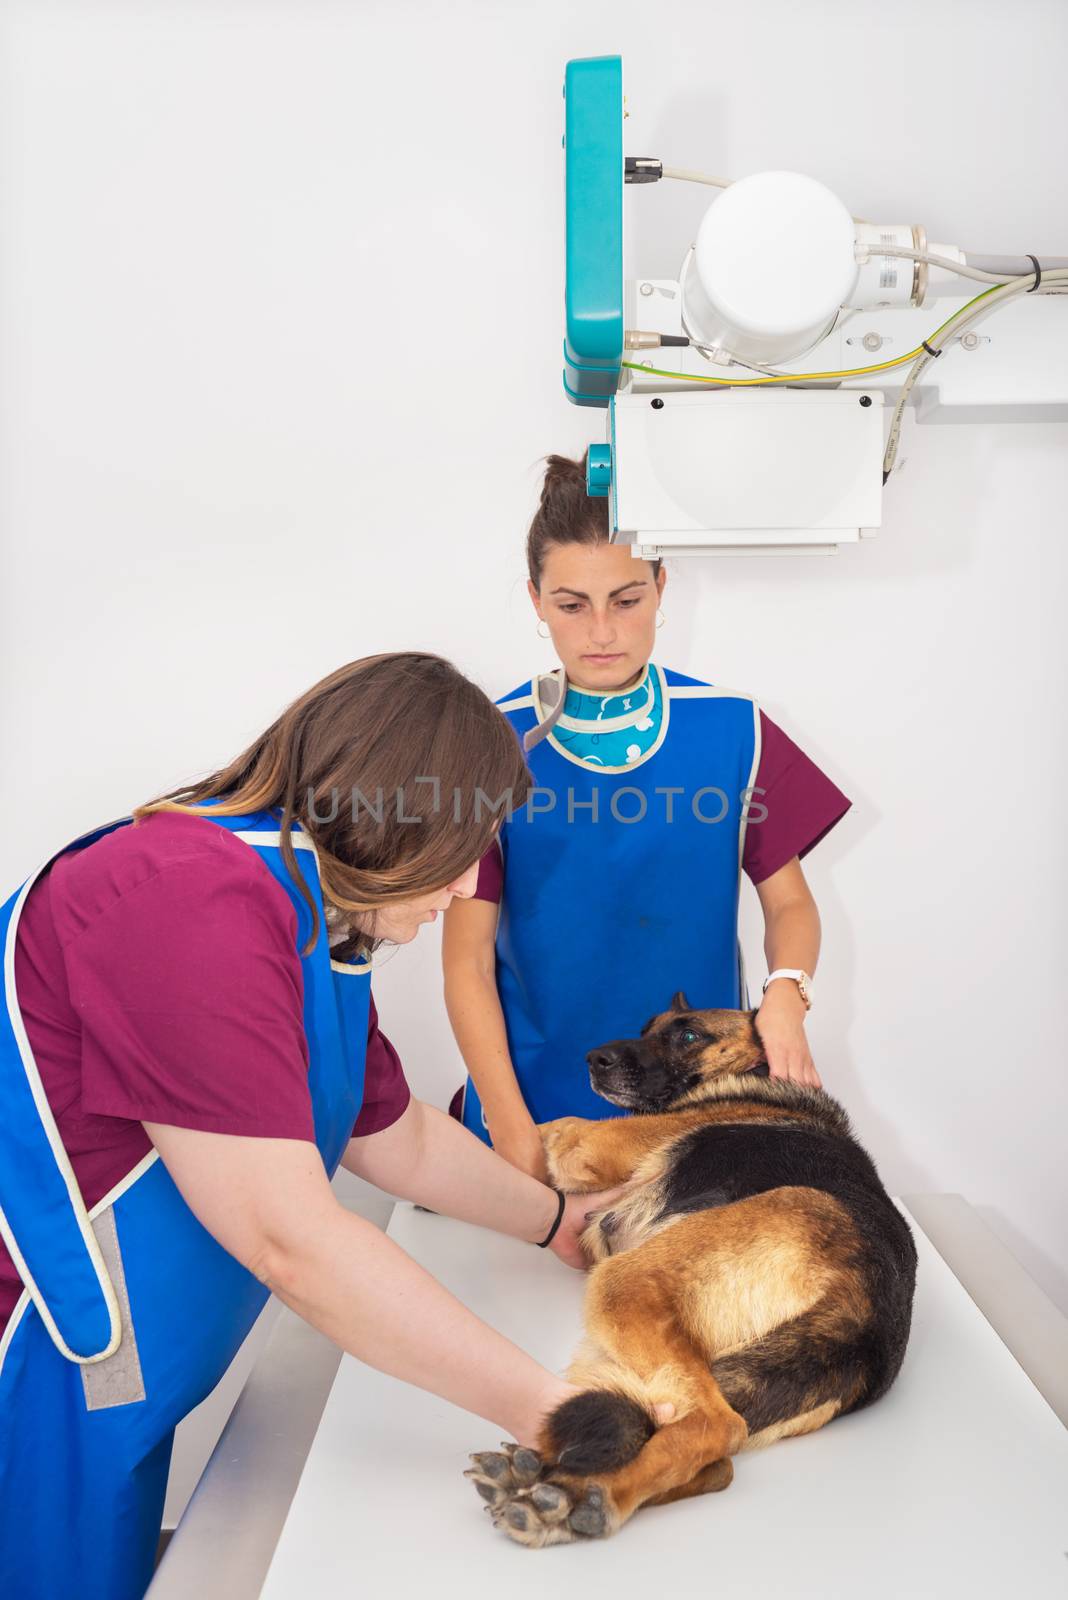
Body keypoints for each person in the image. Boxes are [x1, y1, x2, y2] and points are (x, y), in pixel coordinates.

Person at [0, 652, 673, 1600]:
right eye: (460, 854)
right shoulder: (186, 900)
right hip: (28, 1356)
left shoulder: (312, 917)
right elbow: (290, 1239)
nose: (462, 894)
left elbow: (389, 1133)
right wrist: (560, 1417)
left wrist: (556, 1218)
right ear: (401, 815)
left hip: (118, 1376)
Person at [443, 454, 853, 1182]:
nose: (602, 630)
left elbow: (789, 902)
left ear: (662, 589)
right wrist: (512, 1132)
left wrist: (785, 997)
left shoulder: (734, 730)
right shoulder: (491, 745)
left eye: (626, 599)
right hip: (532, 1109)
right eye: (572, 605)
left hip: (699, 1118)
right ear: (536, 600)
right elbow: (467, 963)